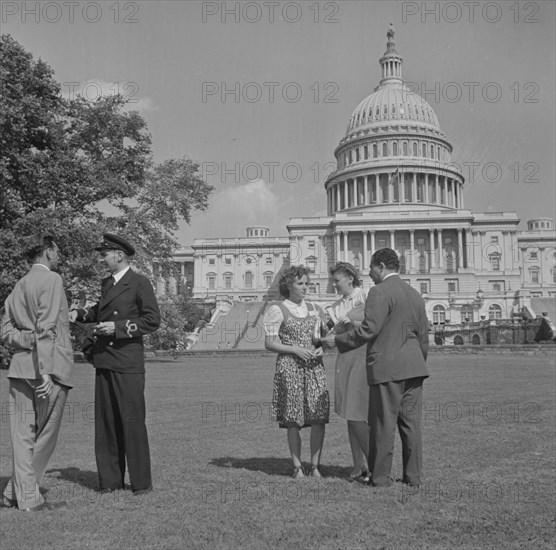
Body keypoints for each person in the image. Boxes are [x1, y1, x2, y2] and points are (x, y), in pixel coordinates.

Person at [69, 233, 160, 494]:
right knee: (107, 423)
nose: (102, 259)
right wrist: (81, 313)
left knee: (132, 423)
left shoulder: (139, 282)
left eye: (104, 255)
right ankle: (110, 482)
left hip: (128, 362)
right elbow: (102, 309)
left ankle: (141, 483)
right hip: (105, 359)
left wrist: (119, 328)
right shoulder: (107, 283)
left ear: (119, 255)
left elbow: (152, 320)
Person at [335, 248, 429, 487]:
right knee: (411, 427)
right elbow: (423, 336)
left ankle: (380, 478)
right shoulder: (415, 294)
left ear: (381, 266)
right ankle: (413, 477)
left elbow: (369, 329)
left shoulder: (379, 292)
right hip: (414, 368)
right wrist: (418, 362)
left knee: (383, 425)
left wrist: (337, 341)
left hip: (387, 368)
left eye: (371, 269)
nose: (369, 274)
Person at [1, 232, 74, 511]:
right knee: (43, 437)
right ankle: (27, 499)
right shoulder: (52, 280)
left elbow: (5, 331)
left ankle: (13, 494)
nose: (60, 255)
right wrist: (45, 372)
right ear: (47, 251)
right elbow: (46, 328)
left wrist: (26, 340)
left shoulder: (19, 285)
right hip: (49, 370)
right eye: (57, 249)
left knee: (22, 437)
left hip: (19, 369)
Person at [263, 265, 329, 478]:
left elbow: (325, 339)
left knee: (318, 417)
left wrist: (322, 348)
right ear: (289, 285)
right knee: (294, 419)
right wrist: (295, 350)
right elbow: (270, 343)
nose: (305, 288)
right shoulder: (277, 309)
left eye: (306, 284)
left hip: (313, 368)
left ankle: (316, 466)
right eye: (300, 284)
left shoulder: (315, 309)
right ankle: (297, 467)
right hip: (290, 368)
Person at [324, 262, 370, 480]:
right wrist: (326, 340)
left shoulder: (366, 297)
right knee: (351, 415)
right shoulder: (335, 307)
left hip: (363, 360)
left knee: (358, 414)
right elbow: (329, 333)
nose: (334, 284)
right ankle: (357, 465)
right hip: (345, 360)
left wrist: (351, 321)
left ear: (350, 278)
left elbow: (374, 325)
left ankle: (373, 463)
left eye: (337, 280)